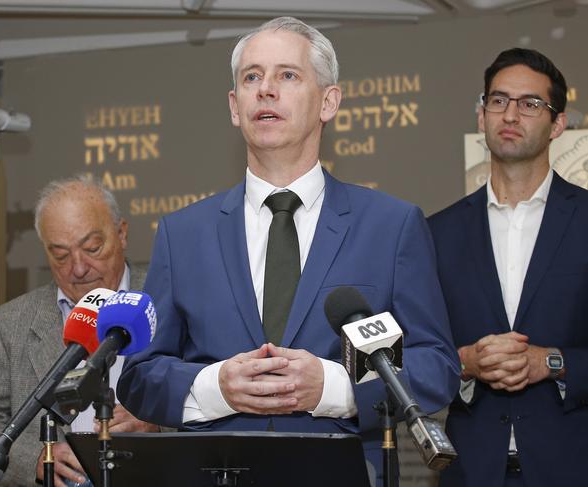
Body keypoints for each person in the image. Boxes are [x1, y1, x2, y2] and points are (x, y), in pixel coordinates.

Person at [118, 17, 459, 479]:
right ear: (235, 107)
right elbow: (140, 376)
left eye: (288, 75)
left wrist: (332, 388)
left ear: (328, 102)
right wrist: (216, 386)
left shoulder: (391, 225)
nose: (266, 90)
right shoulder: (183, 234)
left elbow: (436, 364)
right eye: (252, 77)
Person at [429, 48, 588, 487]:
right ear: (482, 117)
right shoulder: (436, 233)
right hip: (470, 471)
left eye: (529, 104)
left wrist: (552, 362)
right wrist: (465, 363)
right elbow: (416, 356)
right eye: (498, 101)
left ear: (558, 124)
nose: (511, 114)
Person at [0, 176, 159, 487]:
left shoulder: (171, 302)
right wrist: (37, 459)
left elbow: (213, 402)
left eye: (92, 247)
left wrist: (158, 428)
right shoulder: (8, 324)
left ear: (121, 233)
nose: (79, 268)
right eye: (61, 255)